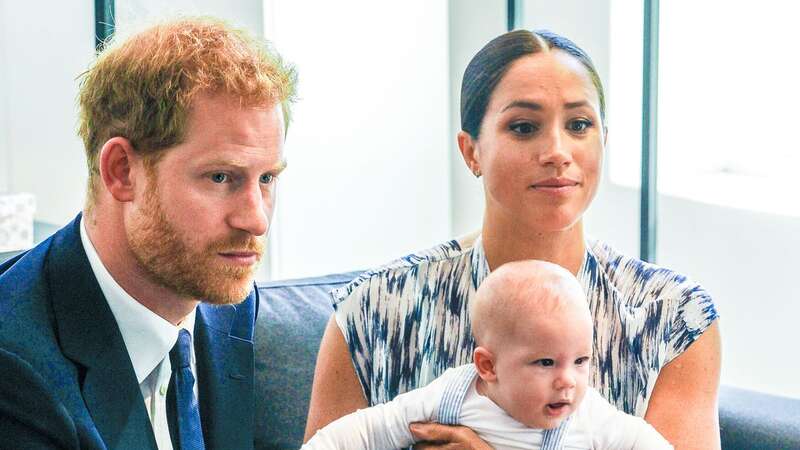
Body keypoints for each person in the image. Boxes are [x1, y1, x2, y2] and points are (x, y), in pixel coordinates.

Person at [305, 29, 721, 449]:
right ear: (471, 151)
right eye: (524, 127)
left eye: (579, 125)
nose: (558, 151)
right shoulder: (376, 308)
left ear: (604, 141)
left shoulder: (671, 317)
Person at [0, 17, 296, 450]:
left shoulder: (224, 302)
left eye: (267, 178)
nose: (256, 221)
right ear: (122, 171)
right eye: (220, 177)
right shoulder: (16, 370)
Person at [303, 260, 672, 450]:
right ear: (488, 365)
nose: (567, 380)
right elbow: (371, 428)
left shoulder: (590, 416)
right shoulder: (451, 396)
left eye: (581, 361)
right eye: (545, 363)